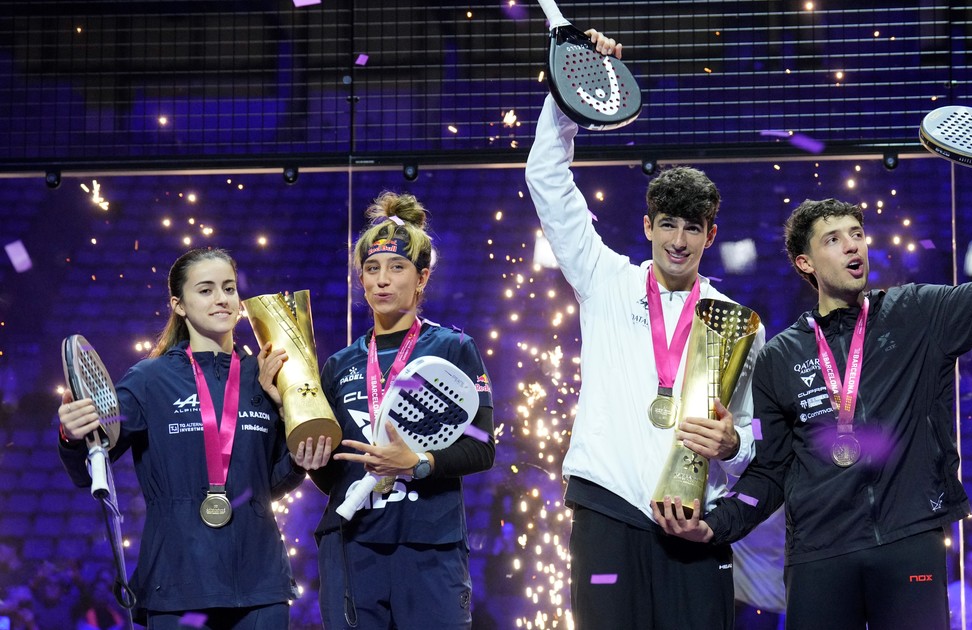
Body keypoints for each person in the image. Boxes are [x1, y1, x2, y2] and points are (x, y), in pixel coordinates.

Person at [652, 133, 972, 630]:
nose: (852, 245)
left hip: (908, 541)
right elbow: (771, 472)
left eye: (857, 234)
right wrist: (715, 526)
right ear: (805, 263)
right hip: (819, 557)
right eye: (833, 239)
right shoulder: (780, 356)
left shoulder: (916, 313)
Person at [525, 29, 765, 630]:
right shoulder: (603, 279)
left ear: (711, 234)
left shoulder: (737, 324)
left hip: (693, 519)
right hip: (607, 510)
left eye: (692, 227)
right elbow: (546, 179)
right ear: (647, 226)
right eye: (667, 224)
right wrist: (572, 86)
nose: (678, 241)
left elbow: (753, 433)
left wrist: (734, 446)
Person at [57, 246, 331, 629]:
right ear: (179, 305)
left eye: (229, 288)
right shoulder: (149, 380)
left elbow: (268, 484)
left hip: (260, 585)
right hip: (177, 585)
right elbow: (92, 466)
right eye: (206, 290)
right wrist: (72, 436)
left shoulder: (264, 376)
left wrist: (298, 455)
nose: (222, 299)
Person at [306, 192, 496, 629]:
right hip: (353, 545)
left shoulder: (454, 347)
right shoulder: (339, 365)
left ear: (422, 277)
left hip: (430, 546)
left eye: (397, 267)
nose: (382, 280)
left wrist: (418, 463)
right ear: (361, 278)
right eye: (372, 269)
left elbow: (482, 446)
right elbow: (334, 474)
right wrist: (311, 458)